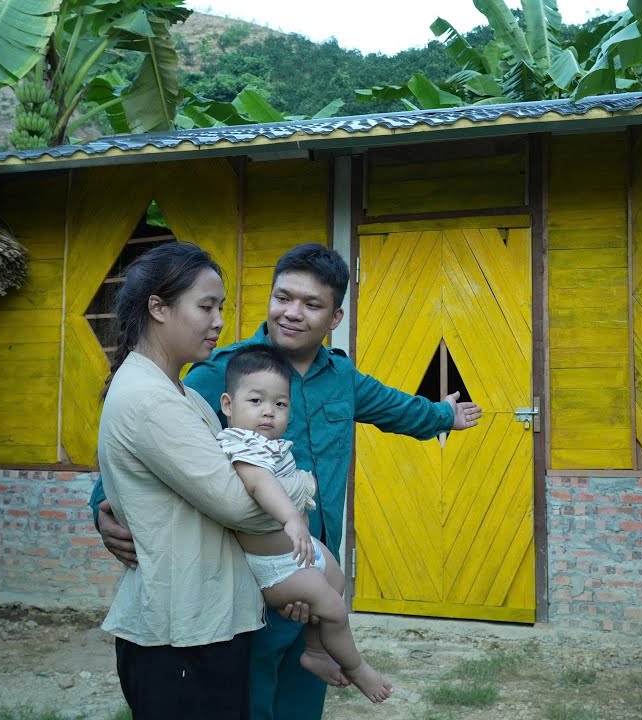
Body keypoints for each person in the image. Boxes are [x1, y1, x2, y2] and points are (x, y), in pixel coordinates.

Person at [90, 242, 483, 720]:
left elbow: (398, 407)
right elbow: (146, 451)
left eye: (311, 304)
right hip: (248, 579)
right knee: (246, 700)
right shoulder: (224, 372)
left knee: (301, 699)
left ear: (334, 317)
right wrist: (103, 509)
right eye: (283, 297)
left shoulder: (342, 377)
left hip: (314, 567)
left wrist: (445, 414)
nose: (292, 313)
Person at [96, 242, 300, 719]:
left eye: (221, 308)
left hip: (203, 622)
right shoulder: (151, 400)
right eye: (206, 306)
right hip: (181, 635)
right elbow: (236, 502)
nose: (219, 321)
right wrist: (299, 490)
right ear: (159, 308)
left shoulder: (180, 393)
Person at [218, 345, 392, 703]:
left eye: (280, 405)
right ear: (227, 406)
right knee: (333, 608)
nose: (269, 411)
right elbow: (260, 484)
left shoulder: (270, 444)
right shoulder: (240, 447)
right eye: (256, 401)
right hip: (275, 569)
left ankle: (314, 650)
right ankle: (357, 667)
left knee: (337, 579)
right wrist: (292, 518)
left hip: (296, 557)